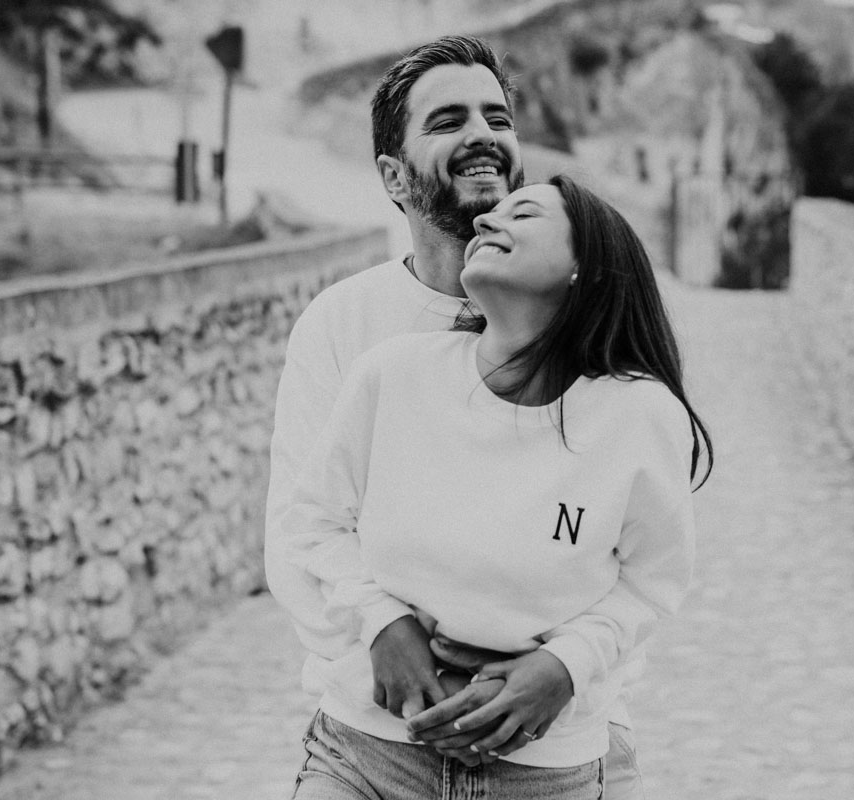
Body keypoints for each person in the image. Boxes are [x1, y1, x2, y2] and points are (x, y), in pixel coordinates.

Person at [264, 34, 653, 794]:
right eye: (447, 121)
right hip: (372, 754)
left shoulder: (593, 335)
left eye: (496, 117)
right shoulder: (344, 326)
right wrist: (385, 639)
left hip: (554, 759)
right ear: (393, 174)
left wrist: (563, 671)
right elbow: (299, 535)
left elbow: (644, 565)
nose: (484, 134)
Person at [281, 174, 712, 798]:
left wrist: (567, 667)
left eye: (525, 214)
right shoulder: (392, 375)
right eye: (491, 215)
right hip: (369, 755)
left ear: (585, 270)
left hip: (545, 772)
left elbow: (653, 581)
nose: (485, 222)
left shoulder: (640, 417)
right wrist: (380, 622)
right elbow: (314, 519)